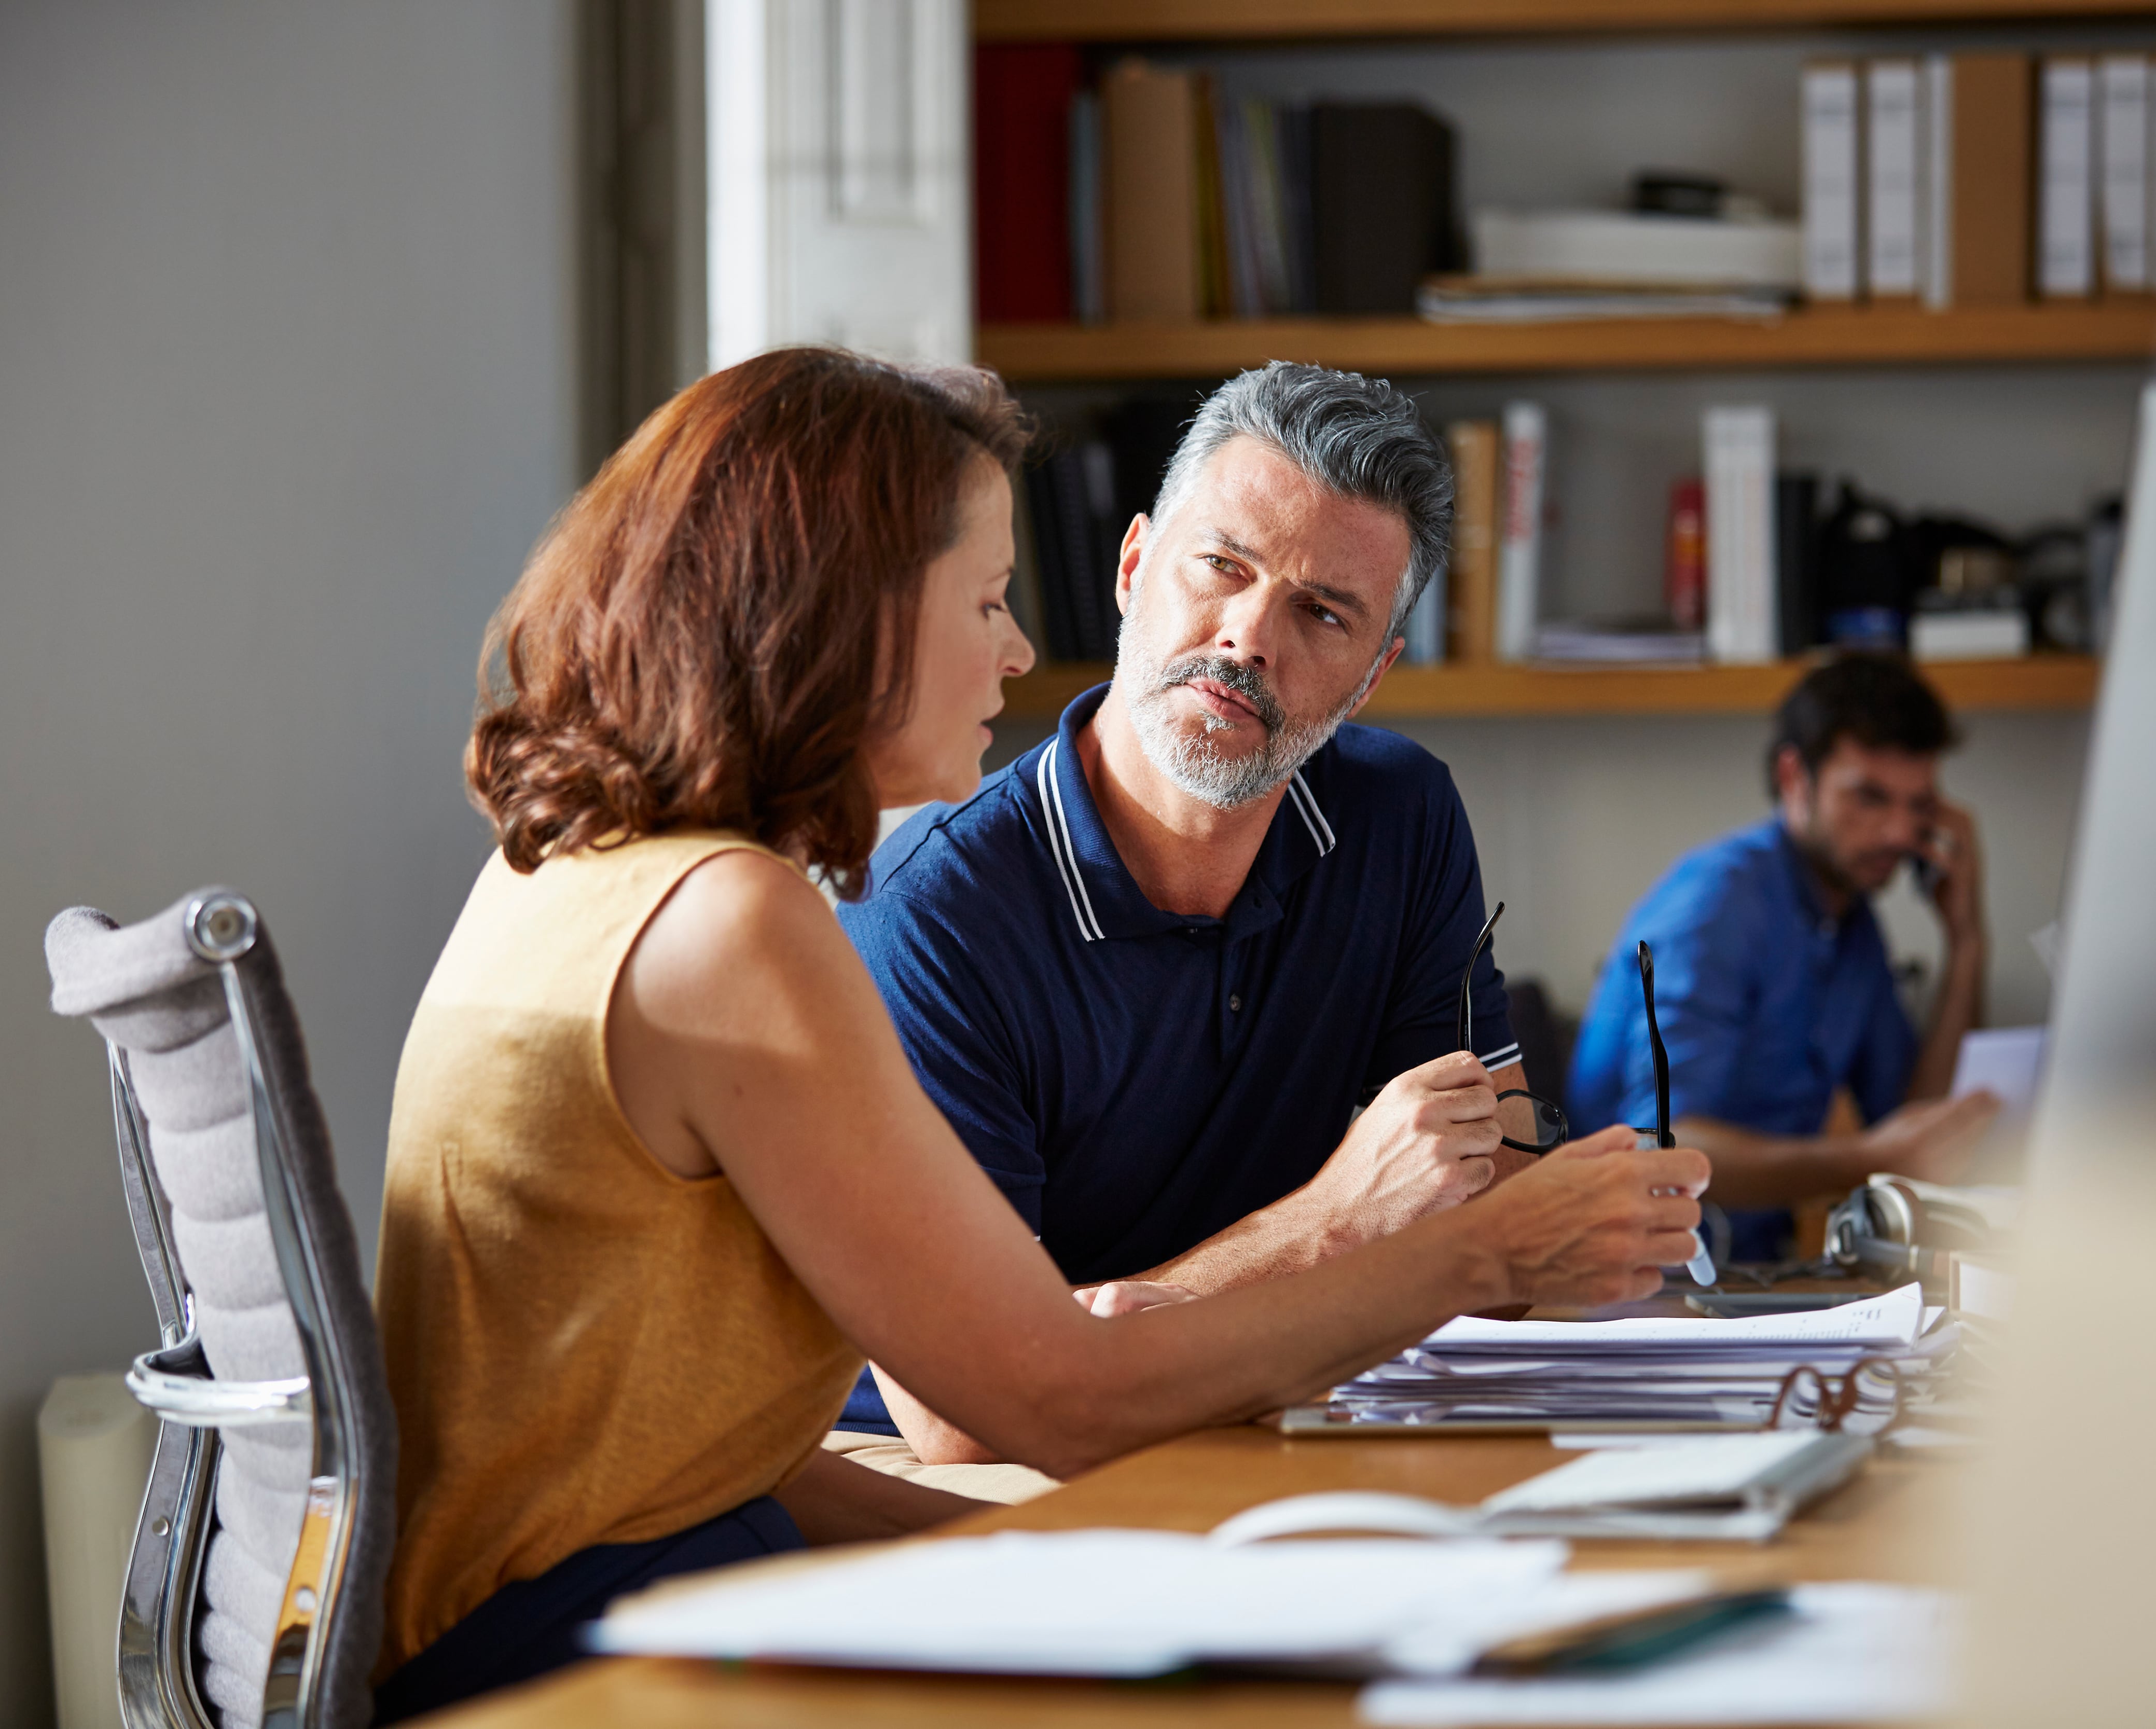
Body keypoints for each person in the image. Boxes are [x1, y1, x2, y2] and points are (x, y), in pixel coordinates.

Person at [367, 347, 1706, 1720]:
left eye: (1319, 611)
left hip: (577, 1595)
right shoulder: (735, 925)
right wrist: (1469, 1249)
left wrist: (1052, 1552)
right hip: (559, 1661)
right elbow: (1049, 1399)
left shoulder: (579, 871)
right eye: (989, 599)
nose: (1015, 649)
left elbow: (685, 1448)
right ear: (850, 615)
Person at [834, 363, 1557, 1469]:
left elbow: (1493, 1201)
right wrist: (1336, 1225)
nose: (1248, 638)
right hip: (990, 1486)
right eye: (1221, 566)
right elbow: (971, 1414)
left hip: (1280, 1417)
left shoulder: (1399, 816)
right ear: (1133, 567)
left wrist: (1181, 1300)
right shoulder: (929, 915)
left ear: (1370, 678)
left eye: (1322, 613)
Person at [1564, 654, 2001, 1265]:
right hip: (1628, 1281)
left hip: (1747, 1277)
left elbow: (1918, 1126)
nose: (1901, 834)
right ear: (1794, 776)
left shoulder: (1852, 926)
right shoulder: (1715, 906)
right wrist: (1867, 1160)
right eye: (1870, 798)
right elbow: (1660, 1150)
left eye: (1920, 805)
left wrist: (1965, 940)